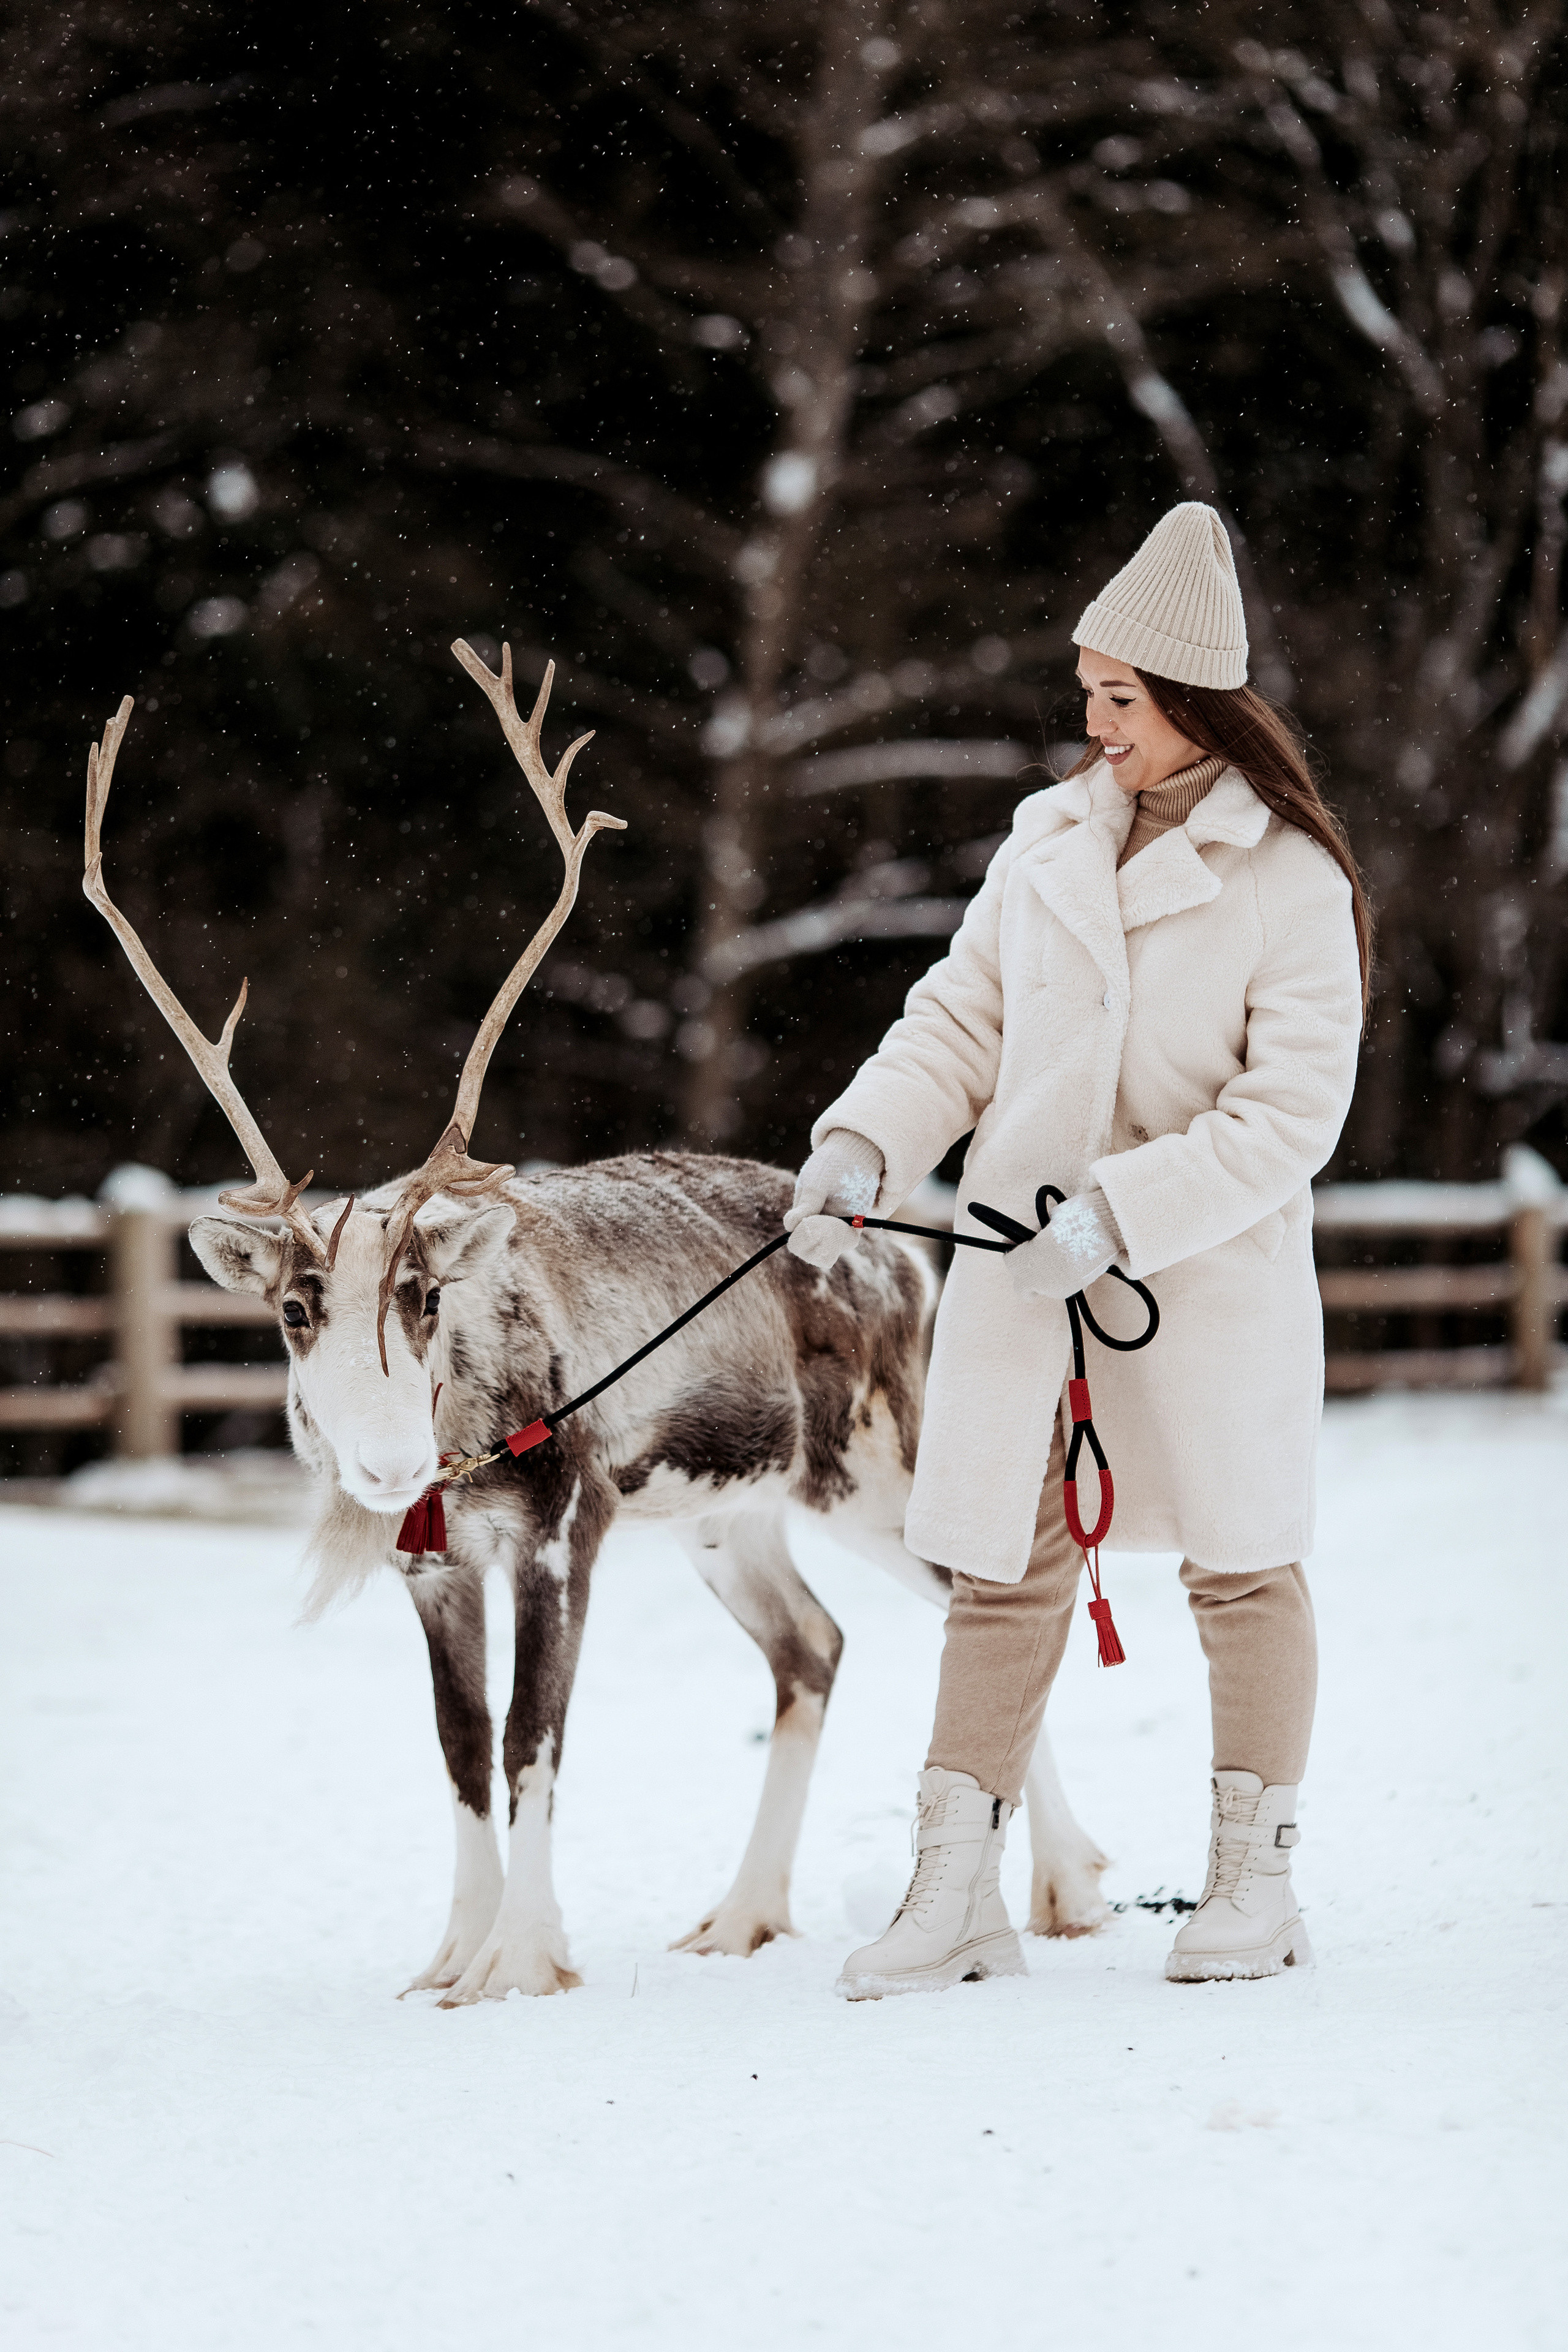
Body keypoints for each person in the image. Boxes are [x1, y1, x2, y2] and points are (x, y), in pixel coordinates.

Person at [785, 502, 1371, 1997]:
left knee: (1243, 1570)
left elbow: (1289, 1113)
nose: (1090, 719)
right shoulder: (1042, 845)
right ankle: (953, 1895)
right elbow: (960, 1022)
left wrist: (1118, 1216)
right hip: (1016, 1288)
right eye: (1087, 689)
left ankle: (1254, 1884)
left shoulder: (1287, 880)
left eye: (1119, 694)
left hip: (1202, 1286)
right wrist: (864, 1142)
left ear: (1192, 705)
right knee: (1001, 1565)